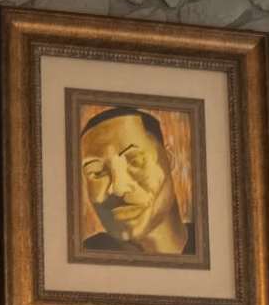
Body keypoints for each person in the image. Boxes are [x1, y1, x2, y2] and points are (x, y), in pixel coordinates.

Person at [76, 103, 194, 257]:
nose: (118, 188)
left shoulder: (213, 245)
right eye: (96, 172)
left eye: (135, 161)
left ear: (168, 159)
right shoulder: (86, 253)